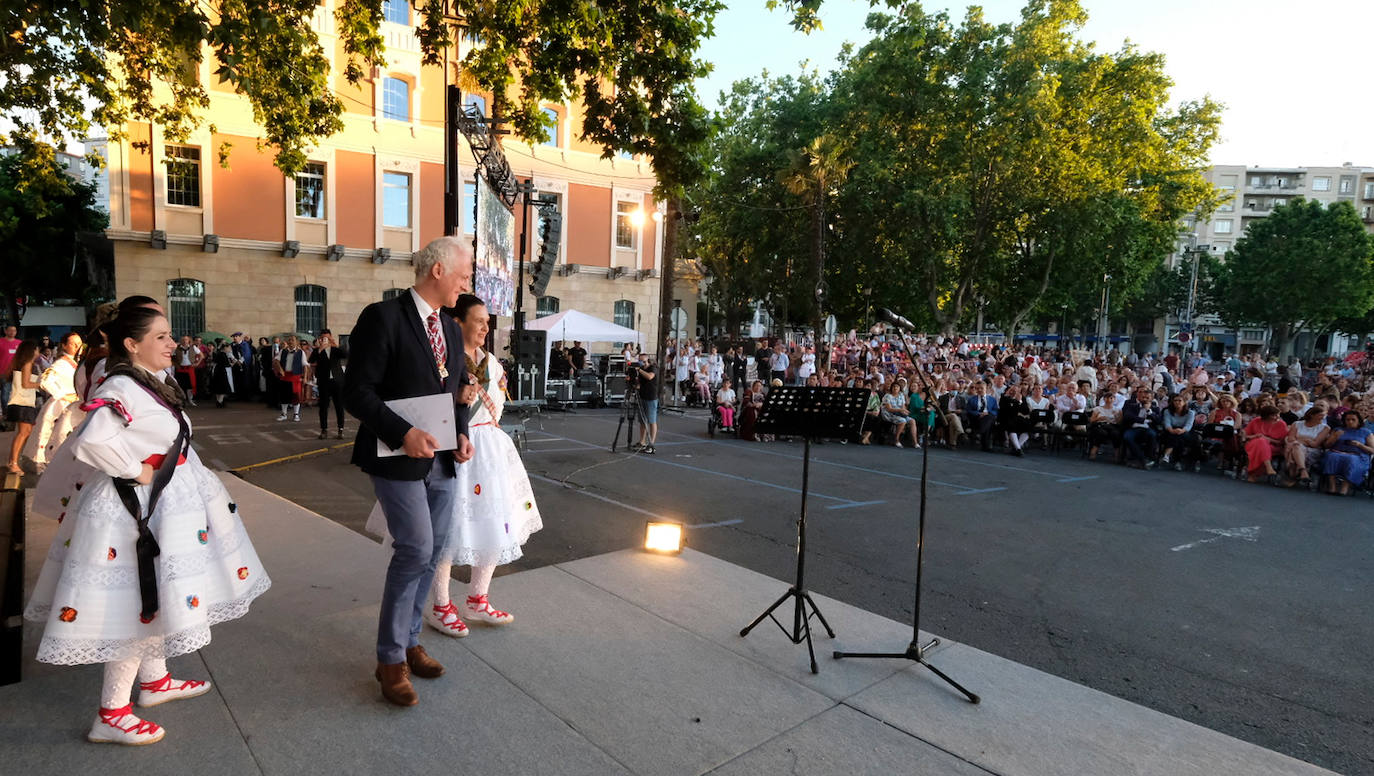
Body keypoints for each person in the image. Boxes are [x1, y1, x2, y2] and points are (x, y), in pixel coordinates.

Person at [23, 306, 270, 745]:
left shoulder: (149, 382)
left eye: (170, 335)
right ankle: (112, 713)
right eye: (161, 337)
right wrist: (135, 470)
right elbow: (93, 439)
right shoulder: (122, 384)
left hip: (159, 507)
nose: (172, 343)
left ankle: (154, 682)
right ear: (132, 345)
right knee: (136, 608)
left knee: (154, 596)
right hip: (136, 511)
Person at [344, 236, 476, 707]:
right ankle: (389, 659)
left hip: (441, 459)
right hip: (395, 455)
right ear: (437, 270)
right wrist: (403, 434)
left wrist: (461, 432)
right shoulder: (382, 318)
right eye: (464, 272)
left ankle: (410, 639)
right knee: (415, 548)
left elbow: (456, 388)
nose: (468, 281)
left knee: (434, 550)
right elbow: (357, 392)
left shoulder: (449, 326)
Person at [369, 294, 541, 639]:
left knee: (493, 523)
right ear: (457, 323)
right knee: (448, 530)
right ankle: (441, 604)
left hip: (490, 450)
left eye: (487, 323)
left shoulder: (492, 363)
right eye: (479, 321)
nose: (484, 329)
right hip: (452, 448)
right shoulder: (442, 360)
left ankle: (478, 597)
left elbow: (500, 406)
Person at [24, 331, 83, 471]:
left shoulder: (78, 362)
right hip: (63, 404)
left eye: (79, 343)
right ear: (64, 345)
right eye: (73, 344)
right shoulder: (61, 363)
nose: (76, 346)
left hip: (75, 405)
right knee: (57, 437)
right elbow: (44, 380)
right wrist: (62, 395)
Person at [5, 340, 42, 474]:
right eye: (37, 349)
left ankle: (12, 460)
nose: (38, 352)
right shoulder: (27, 364)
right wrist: (41, 384)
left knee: (26, 432)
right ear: (31, 351)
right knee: (23, 433)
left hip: (24, 403)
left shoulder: (27, 364)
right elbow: (26, 384)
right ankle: (13, 462)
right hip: (23, 403)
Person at [1320, 410, 1374, 495]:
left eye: (1353, 420)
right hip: (1337, 452)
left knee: (1351, 459)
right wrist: (1334, 437)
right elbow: (1326, 445)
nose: (1350, 422)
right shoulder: (1338, 430)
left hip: (1357, 455)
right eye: (1347, 420)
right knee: (1332, 457)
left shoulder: (1366, 432)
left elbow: (1372, 450)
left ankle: (1345, 488)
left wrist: (1359, 445)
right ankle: (1332, 486)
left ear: (1358, 420)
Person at [310, 329, 348, 439]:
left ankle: (340, 429)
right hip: (324, 382)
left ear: (330, 337)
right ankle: (324, 430)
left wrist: (334, 343)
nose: (324, 340)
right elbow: (311, 360)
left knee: (339, 406)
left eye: (327, 337)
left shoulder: (335, 349)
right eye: (322, 338)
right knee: (323, 407)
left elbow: (345, 354)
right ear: (319, 339)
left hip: (337, 382)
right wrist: (320, 349)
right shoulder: (317, 350)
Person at [1242, 403, 1287, 484]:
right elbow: (1245, 436)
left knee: (1262, 443)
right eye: (1274, 415)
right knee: (1260, 442)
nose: (1277, 417)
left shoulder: (1281, 424)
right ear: (1267, 415)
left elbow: (1281, 442)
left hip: (1273, 446)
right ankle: (1268, 467)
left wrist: (1268, 439)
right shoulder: (1256, 421)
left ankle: (1253, 474)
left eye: (1278, 415)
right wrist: (1256, 436)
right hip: (1253, 443)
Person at [1284, 406, 1329, 487]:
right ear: (1312, 415)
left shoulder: (1325, 428)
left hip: (1313, 451)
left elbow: (1315, 444)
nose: (1323, 417)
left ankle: (1293, 477)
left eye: (1324, 415)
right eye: (1320, 415)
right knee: (1296, 447)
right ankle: (1303, 471)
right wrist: (1307, 440)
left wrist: (1300, 440)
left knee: (1294, 449)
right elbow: (1291, 438)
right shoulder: (1297, 424)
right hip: (1296, 447)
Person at [1120, 387, 1159, 468]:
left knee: (1152, 435)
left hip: (1147, 429)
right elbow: (1127, 416)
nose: (1145, 399)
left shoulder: (1155, 408)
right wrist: (1144, 421)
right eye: (1143, 397)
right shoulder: (1132, 406)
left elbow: (1157, 420)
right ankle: (1142, 458)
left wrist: (1148, 411)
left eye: (1147, 398)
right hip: (1134, 428)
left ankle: (1148, 458)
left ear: (1151, 398)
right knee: (1127, 437)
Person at [1158, 394, 1198, 471]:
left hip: (1186, 431)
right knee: (1178, 437)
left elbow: (1189, 425)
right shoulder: (1167, 411)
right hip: (1170, 431)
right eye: (1175, 400)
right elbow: (1167, 423)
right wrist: (1172, 430)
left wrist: (1181, 430)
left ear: (1184, 402)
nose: (1177, 402)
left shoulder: (1191, 413)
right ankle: (1177, 462)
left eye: (1180, 400)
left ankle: (1167, 454)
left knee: (1180, 436)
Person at [274, 336, 306, 422]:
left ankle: (296, 414)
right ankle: (284, 414)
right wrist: (280, 369)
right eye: (289, 340)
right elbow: (276, 360)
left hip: (295, 376)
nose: (291, 342)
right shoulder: (283, 351)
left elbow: (305, 365)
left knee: (295, 396)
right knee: (284, 395)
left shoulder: (301, 352)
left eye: (292, 340)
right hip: (285, 376)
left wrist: (305, 377)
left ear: (297, 342)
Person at [633, 354, 659, 454]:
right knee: (642, 420)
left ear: (647, 360)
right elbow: (640, 383)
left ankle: (651, 443)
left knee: (652, 420)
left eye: (642, 360)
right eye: (639, 360)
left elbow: (649, 377)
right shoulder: (641, 371)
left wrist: (639, 370)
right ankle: (642, 441)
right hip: (642, 396)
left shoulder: (653, 368)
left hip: (651, 397)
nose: (641, 362)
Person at [999, 382, 1031, 456]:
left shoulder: (1022, 398)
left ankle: (1016, 448)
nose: (1013, 392)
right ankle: (1018, 449)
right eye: (1011, 390)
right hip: (1006, 418)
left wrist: (1020, 401)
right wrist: (1017, 402)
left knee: (1028, 427)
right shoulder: (1004, 397)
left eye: (1015, 391)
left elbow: (1026, 411)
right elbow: (1008, 410)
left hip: (1017, 418)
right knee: (1011, 426)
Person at [172, 335, 202, 406]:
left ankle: (190, 400)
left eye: (186, 340)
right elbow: (172, 358)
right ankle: (182, 401)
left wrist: (197, 363)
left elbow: (201, 355)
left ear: (189, 340)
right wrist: (176, 365)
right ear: (181, 341)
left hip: (190, 369)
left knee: (190, 385)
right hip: (181, 369)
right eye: (183, 340)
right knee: (180, 386)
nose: (185, 341)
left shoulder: (193, 347)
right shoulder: (176, 348)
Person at [0, 324, 20, 420]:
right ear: (5, 331)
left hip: (16, 373)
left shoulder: (19, 343)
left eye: (14, 331)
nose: (12, 332)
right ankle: (6, 413)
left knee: (14, 394)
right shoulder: (1, 342)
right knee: (5, 395)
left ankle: (11, 415)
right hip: (3, 372)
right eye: (10, 330)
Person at [208, 341, 237, 408]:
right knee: (222, 388)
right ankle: (219, 402)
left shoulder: (219, 354)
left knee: (218, 388)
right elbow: (226, 364)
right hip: (221, 373)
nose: (229, 349)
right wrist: (232, 364)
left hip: (217, 372)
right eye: (229, 348)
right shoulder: (222, 354)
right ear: (225, 348)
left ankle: (219, 401)